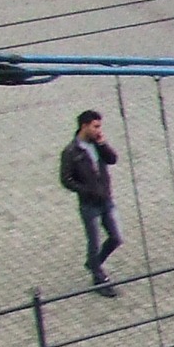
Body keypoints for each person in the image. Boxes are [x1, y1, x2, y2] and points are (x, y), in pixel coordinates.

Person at [59, 109, 124, 298]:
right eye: (95, 126)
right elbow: (65, 179)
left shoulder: (97, 144)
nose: (98, 130)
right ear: (84, 126)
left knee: (116, 237)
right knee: (94, 242)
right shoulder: (71, 151)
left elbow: (112, 159)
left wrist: (103, 143)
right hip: (89, 204)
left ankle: (94, 263)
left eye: (99, 126)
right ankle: (98, 278)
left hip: (106, 199)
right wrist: (86, 190)